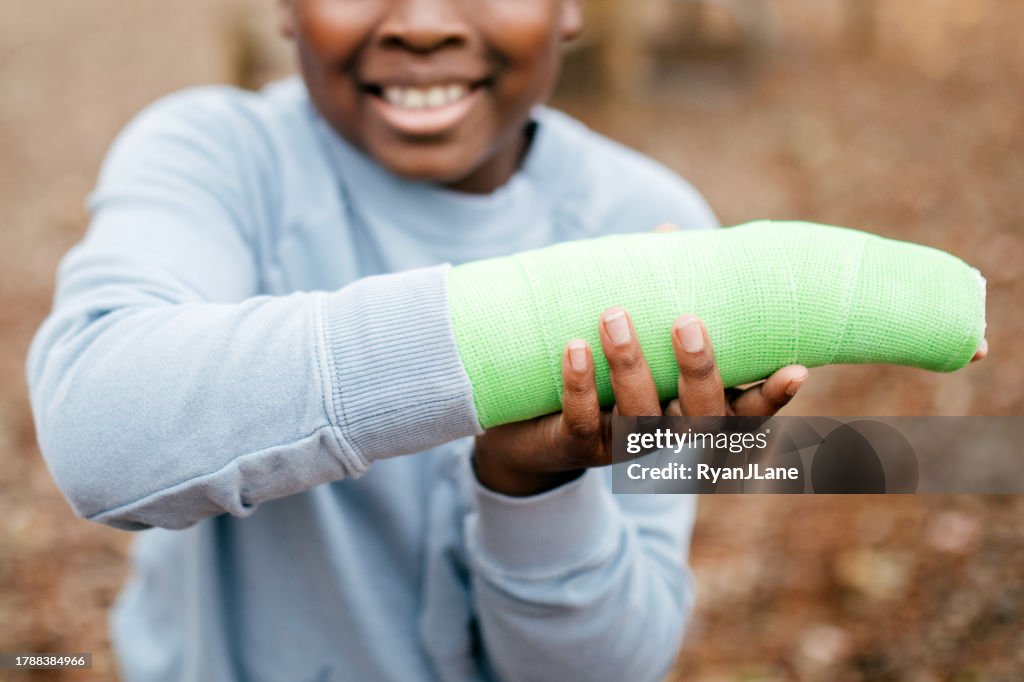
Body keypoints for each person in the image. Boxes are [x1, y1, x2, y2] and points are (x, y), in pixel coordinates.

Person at [27, 1, 812, 679]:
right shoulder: (216, 156)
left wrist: (530, 484)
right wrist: (494, 345)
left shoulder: (647, 225)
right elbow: (100, 431)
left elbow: (615, 663)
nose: (425, 23)